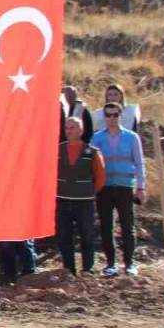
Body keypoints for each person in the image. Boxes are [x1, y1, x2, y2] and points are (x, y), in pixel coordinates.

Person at [91, 102, 147, 277]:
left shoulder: (131, 137)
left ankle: (129, 263)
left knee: (127, 226)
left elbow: (139, 163)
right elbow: (92, 164)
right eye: (108, 115)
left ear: (120, 116)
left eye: (115, 115)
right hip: (104, 188)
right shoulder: (97, 138)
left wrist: (141, 187)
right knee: (106, 227)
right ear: (104, 117)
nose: (112, 118)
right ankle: (110, 264)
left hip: (125, 187)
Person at [56, 117, 106, 276]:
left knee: (87, 236)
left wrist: (89, 192)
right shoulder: (58, 150)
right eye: (67, 128)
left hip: (84, 202)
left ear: (81, 130)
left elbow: (101, 177)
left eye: (72, 127)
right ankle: (69, 269)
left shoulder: (92, 152)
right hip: (62, 200)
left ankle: (88, 269)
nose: (69, 131)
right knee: (64, 237)